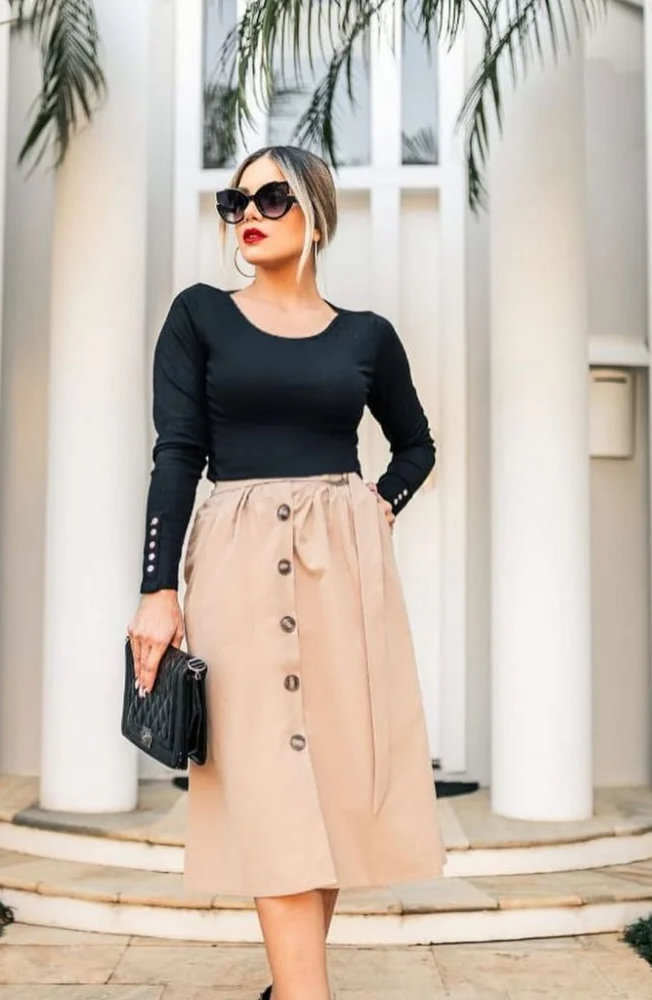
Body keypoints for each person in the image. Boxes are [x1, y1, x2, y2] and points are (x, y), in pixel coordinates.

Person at [127, 145, 446, 1000]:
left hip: (342, 571)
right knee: (268, 782)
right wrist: (158, 588)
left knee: (332, 783)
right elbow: (177, 453)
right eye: (235, 201)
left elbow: (416, 446)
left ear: (317, 211)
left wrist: (378, 505)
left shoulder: (367, 336)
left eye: (271, 197)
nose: (248, 214)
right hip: (236, 563)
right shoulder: (199, 316)